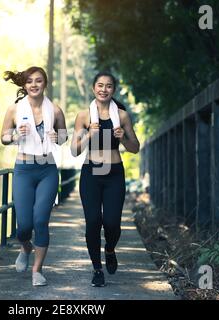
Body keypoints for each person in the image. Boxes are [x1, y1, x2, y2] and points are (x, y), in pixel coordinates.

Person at [71, 71, 140, 287]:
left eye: (108, 86)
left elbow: (135, 148)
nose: (104, 89)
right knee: (93, 222)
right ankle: (97, 269)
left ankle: (110, 249)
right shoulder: (84, 116)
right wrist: (88, 135)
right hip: (91, 173)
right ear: (94, 89)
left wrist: (124, 138)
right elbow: (74, 150)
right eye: (100, 85)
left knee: (112, 223)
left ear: (113, 90)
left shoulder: (122, 116)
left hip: (113, 173)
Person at [0, 66, 67, 286]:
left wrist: (57, 136)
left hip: (47, 170)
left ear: (45, 83)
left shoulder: (55, 110)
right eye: (30, 81)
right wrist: (15, 135)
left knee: (40, 220)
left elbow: (64, 137)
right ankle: (25, 246)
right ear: (24, 85)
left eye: (39, 81)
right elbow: (3, 136)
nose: (34, 85)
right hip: (24, 169)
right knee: (23, 226)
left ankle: (37, 270)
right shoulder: (14, 109)